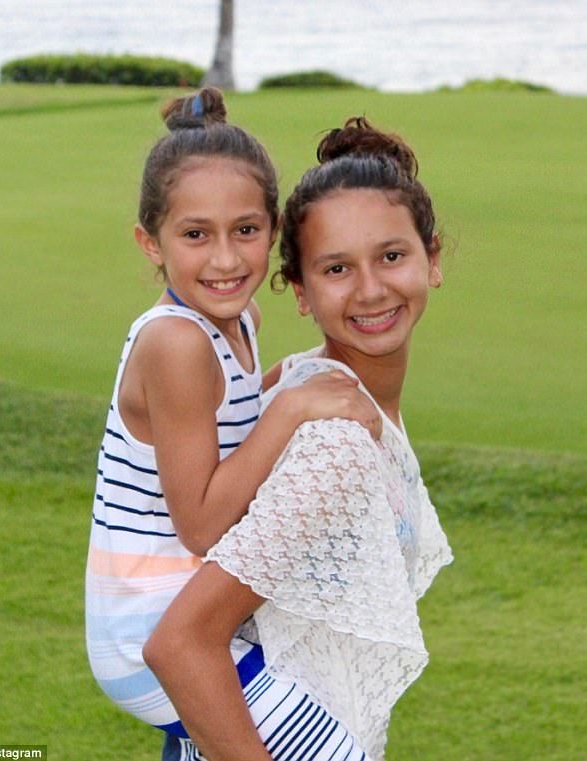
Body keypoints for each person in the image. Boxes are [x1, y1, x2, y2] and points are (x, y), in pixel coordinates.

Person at [145, 116, 454, 761]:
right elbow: (180, 644)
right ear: (301, 292)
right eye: (336, 268)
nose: (371, 289)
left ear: (432, 258)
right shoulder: (333, 445)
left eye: (391, 256)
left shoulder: (316, 384)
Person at [85, 89, 382, 746]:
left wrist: (289, 379)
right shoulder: (176, 342)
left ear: (273, 229)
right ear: (150, 242)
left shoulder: (239, 318)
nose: (225, 259)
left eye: (245, 230)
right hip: (151, 631)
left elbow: (230, 416)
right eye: (196, 235)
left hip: (196, 612)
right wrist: (295, 407)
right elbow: (199, 524)